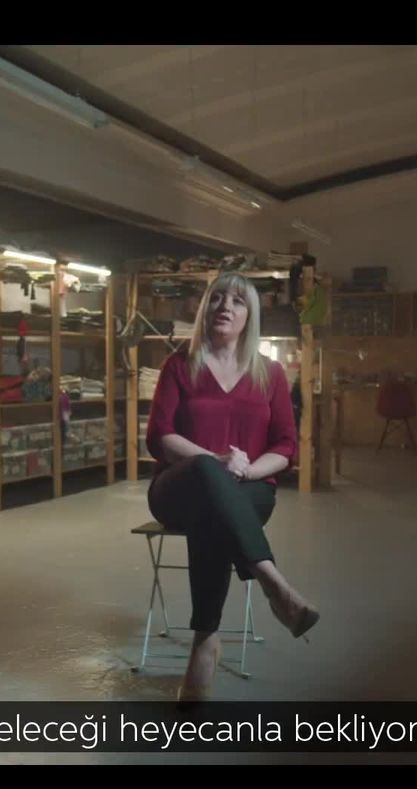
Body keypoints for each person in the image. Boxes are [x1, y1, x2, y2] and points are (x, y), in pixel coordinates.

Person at [145, 270, 320, 703]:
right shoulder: (179, 366)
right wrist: (216, 462)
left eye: (238, 301)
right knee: (208, 474)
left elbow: (285, 446)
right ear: (205, 307)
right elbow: (160, 436)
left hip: (249, 488)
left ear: (250, 316)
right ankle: (271, 580)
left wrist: (247, 472)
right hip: (178, 488)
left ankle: (205, 642)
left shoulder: (270, 373)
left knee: (216, 514)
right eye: (218, 298)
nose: (226, 306)